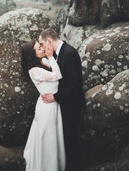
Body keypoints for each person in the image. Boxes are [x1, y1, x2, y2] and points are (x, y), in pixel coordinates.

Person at [39, 28, 84, 171]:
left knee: (71, 142)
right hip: (64, 105)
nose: (41, 47)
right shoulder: (58, 54)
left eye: (42, 43)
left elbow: (76, 85)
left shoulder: (69, 53)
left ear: (49, 41)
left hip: (72, 106)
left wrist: (55, 97)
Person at [21, 40, 66, 171]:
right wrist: (51, 56)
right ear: (32, 54)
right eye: (38, 49)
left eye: (40, 46)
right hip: (47, 108)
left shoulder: (44, 62)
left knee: (55, 137)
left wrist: (50, 58)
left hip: (54, 104)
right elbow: (58, 75)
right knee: (48, 138)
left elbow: (57, 68)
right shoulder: (34, 71)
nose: (42, 49)